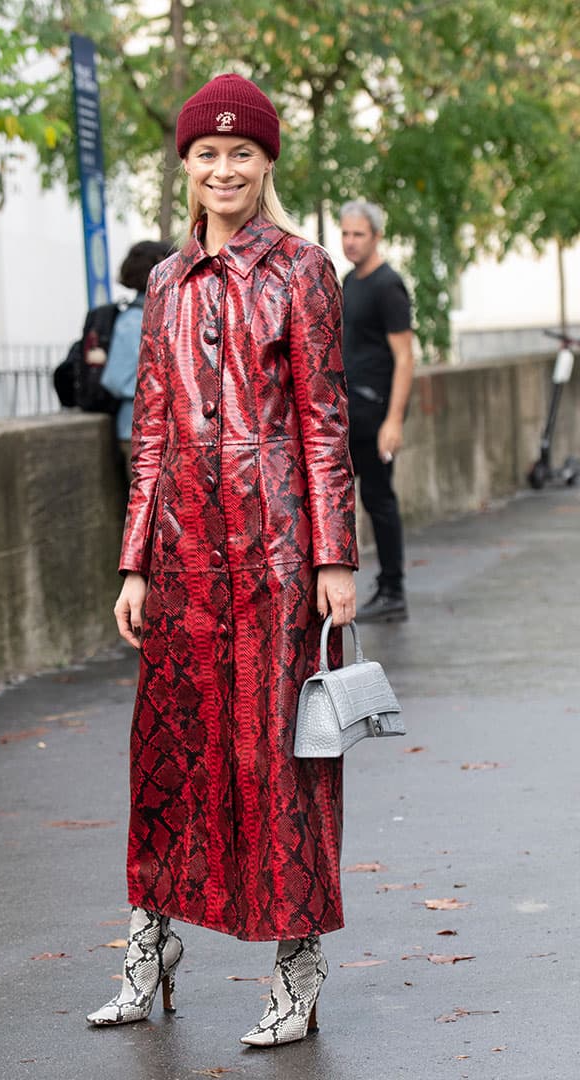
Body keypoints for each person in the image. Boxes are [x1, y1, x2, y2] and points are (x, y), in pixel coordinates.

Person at [85, 74, 358, 1047]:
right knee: (165, 762)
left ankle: (298, 969)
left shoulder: (304, 270)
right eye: (208, 152)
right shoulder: (163, 282)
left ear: (266, 161)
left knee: (280, 764)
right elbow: (150, 432)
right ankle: (150, 948)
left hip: (279, 559)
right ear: (187, 165)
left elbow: (325, 422)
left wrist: (335, 554)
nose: (225, 167)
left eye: (242, 152)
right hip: (183, 563)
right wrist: (134, 564)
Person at [340, 201, 414, 622]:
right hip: (349, 413)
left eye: (359, 235)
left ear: (377, 236)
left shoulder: (388, 286)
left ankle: (393, 590)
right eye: (346, 234)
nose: (350, 242)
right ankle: (377, 587)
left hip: (376, 414)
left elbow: (405, 357)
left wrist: (394, 422)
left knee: (379, 499)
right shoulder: (350, 281)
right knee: (343, 499)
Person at [89, 240, 174, 480]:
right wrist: (163, 389)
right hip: (140, 434)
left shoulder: (161, 313)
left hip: (162, 432)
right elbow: (116, 379)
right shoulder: (133, 321)